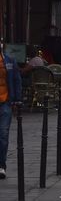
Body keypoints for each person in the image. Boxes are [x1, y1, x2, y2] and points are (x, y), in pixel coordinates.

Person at [0, 38, 22, 180]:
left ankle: (1, 165)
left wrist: (17, 99)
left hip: (5, 102)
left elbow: (16, 79)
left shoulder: (8, 61)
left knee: (3, 134)